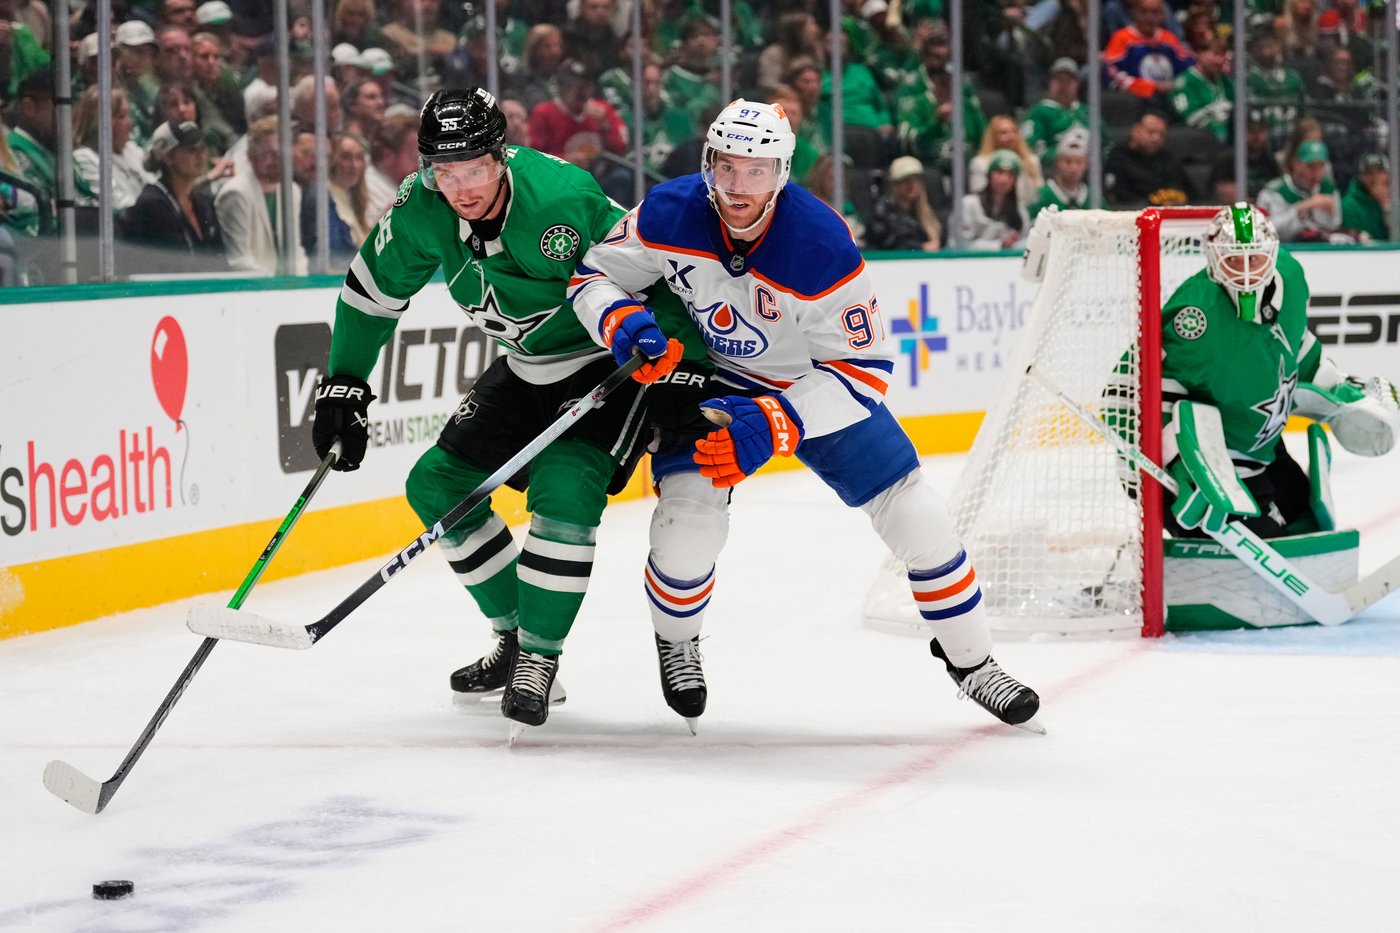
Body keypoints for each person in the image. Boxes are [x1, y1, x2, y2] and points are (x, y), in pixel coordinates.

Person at [568, 99, 1042, 733]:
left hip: (813, 386)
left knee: (919, 517)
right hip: (714, 383)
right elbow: (593, 275)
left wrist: (778, 419)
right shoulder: (668, 211)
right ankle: (677, 643)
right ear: (708, 162)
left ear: (782, 172)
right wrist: (619, 319)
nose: (738, 187)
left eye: (756, 170)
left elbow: (865, 369)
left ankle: (974, 663)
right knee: (686, 528)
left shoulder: (820, 243)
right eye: (726, 167)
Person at [306, 88, 693, 735]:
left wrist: (681, 365)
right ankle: (514, 639)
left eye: (474, 169)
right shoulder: (422, 206)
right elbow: (372, 291)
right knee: (436, 484)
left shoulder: (560, 199)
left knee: (564, 486)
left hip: (605, 362)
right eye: (444, 171)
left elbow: (659, 270)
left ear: (500, 156)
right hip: (524, 364)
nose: (459, 187)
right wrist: (344, 381)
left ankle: (539, 659)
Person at [1133, 203, 1398, 543]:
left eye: (1254, 259)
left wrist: (1338, 388)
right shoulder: (1195, 316)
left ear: (1272, 255)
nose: (1245, 273)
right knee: (1272, 543)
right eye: (1233, 260)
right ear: (1213, 259)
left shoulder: (1290, 276)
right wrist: (1181, 465)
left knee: (1306, 517)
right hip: (1219, 466)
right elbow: (1141, 389)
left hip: (1265, 450)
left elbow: (1295, 345)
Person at [120, 120, 227, 272]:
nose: (201, 155)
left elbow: (219, 259)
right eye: (192, 149)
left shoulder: (204, 203)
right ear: (168, 156)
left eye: (202, 147)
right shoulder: (151, 206)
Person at [215, 115, 304, 275]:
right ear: (251, 157)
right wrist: (275, 286)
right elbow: (239, 261)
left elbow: (296, 252)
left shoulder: (292, 191)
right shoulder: (236, 193)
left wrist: (299, 281)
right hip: (254, 286)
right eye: (270, 154)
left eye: (282, 153)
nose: (278, 160)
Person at [1257, 139, 1341, 242]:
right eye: (1310, 166)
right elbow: (1266, 230)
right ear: (1296, 164)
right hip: (1283, 247)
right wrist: (1300, 209)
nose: (1316, 173)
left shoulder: (1328, 187)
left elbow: (1334, 224)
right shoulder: (1274, 191)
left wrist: (1329, 212)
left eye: (1320, 166)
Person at [1104, 108, 1191, 207]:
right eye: (1151, 132)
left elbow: (1193, 196)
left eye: (1162, 134)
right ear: (1135, 130)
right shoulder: (1118, 158)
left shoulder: (1169, 160)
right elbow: (1117, 198)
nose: (1156, 138)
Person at [958, 148, 1031, 250]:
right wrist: (999, 245)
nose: (1004, 179)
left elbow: (1025, 243)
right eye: (999, 172)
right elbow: (962, 244)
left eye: (1010, 175)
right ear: (989, 175)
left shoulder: (1020, 210)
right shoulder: (969, 204)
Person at [864, 154, 940, 251]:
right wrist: (920, 248)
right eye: (905, 180)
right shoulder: (881, 213)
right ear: (894, 184)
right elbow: (885, 243)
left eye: (915, 179)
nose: (911, 185)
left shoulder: (928, 215)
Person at [1033, 129, 1096, 217]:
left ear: (1086, 165)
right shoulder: (1043, 196)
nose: (1073, 168)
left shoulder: (1092, 196)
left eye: (1079, 163)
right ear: (1057, 162)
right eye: (1068, 162)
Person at [1339, 154, 1390, 243]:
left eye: (1379, 172)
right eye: (1369, 173)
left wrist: (1386, 205)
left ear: (1387, 175)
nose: (1375, 177)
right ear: (1361, 176)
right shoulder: (1350, 204)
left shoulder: (1395, 199)